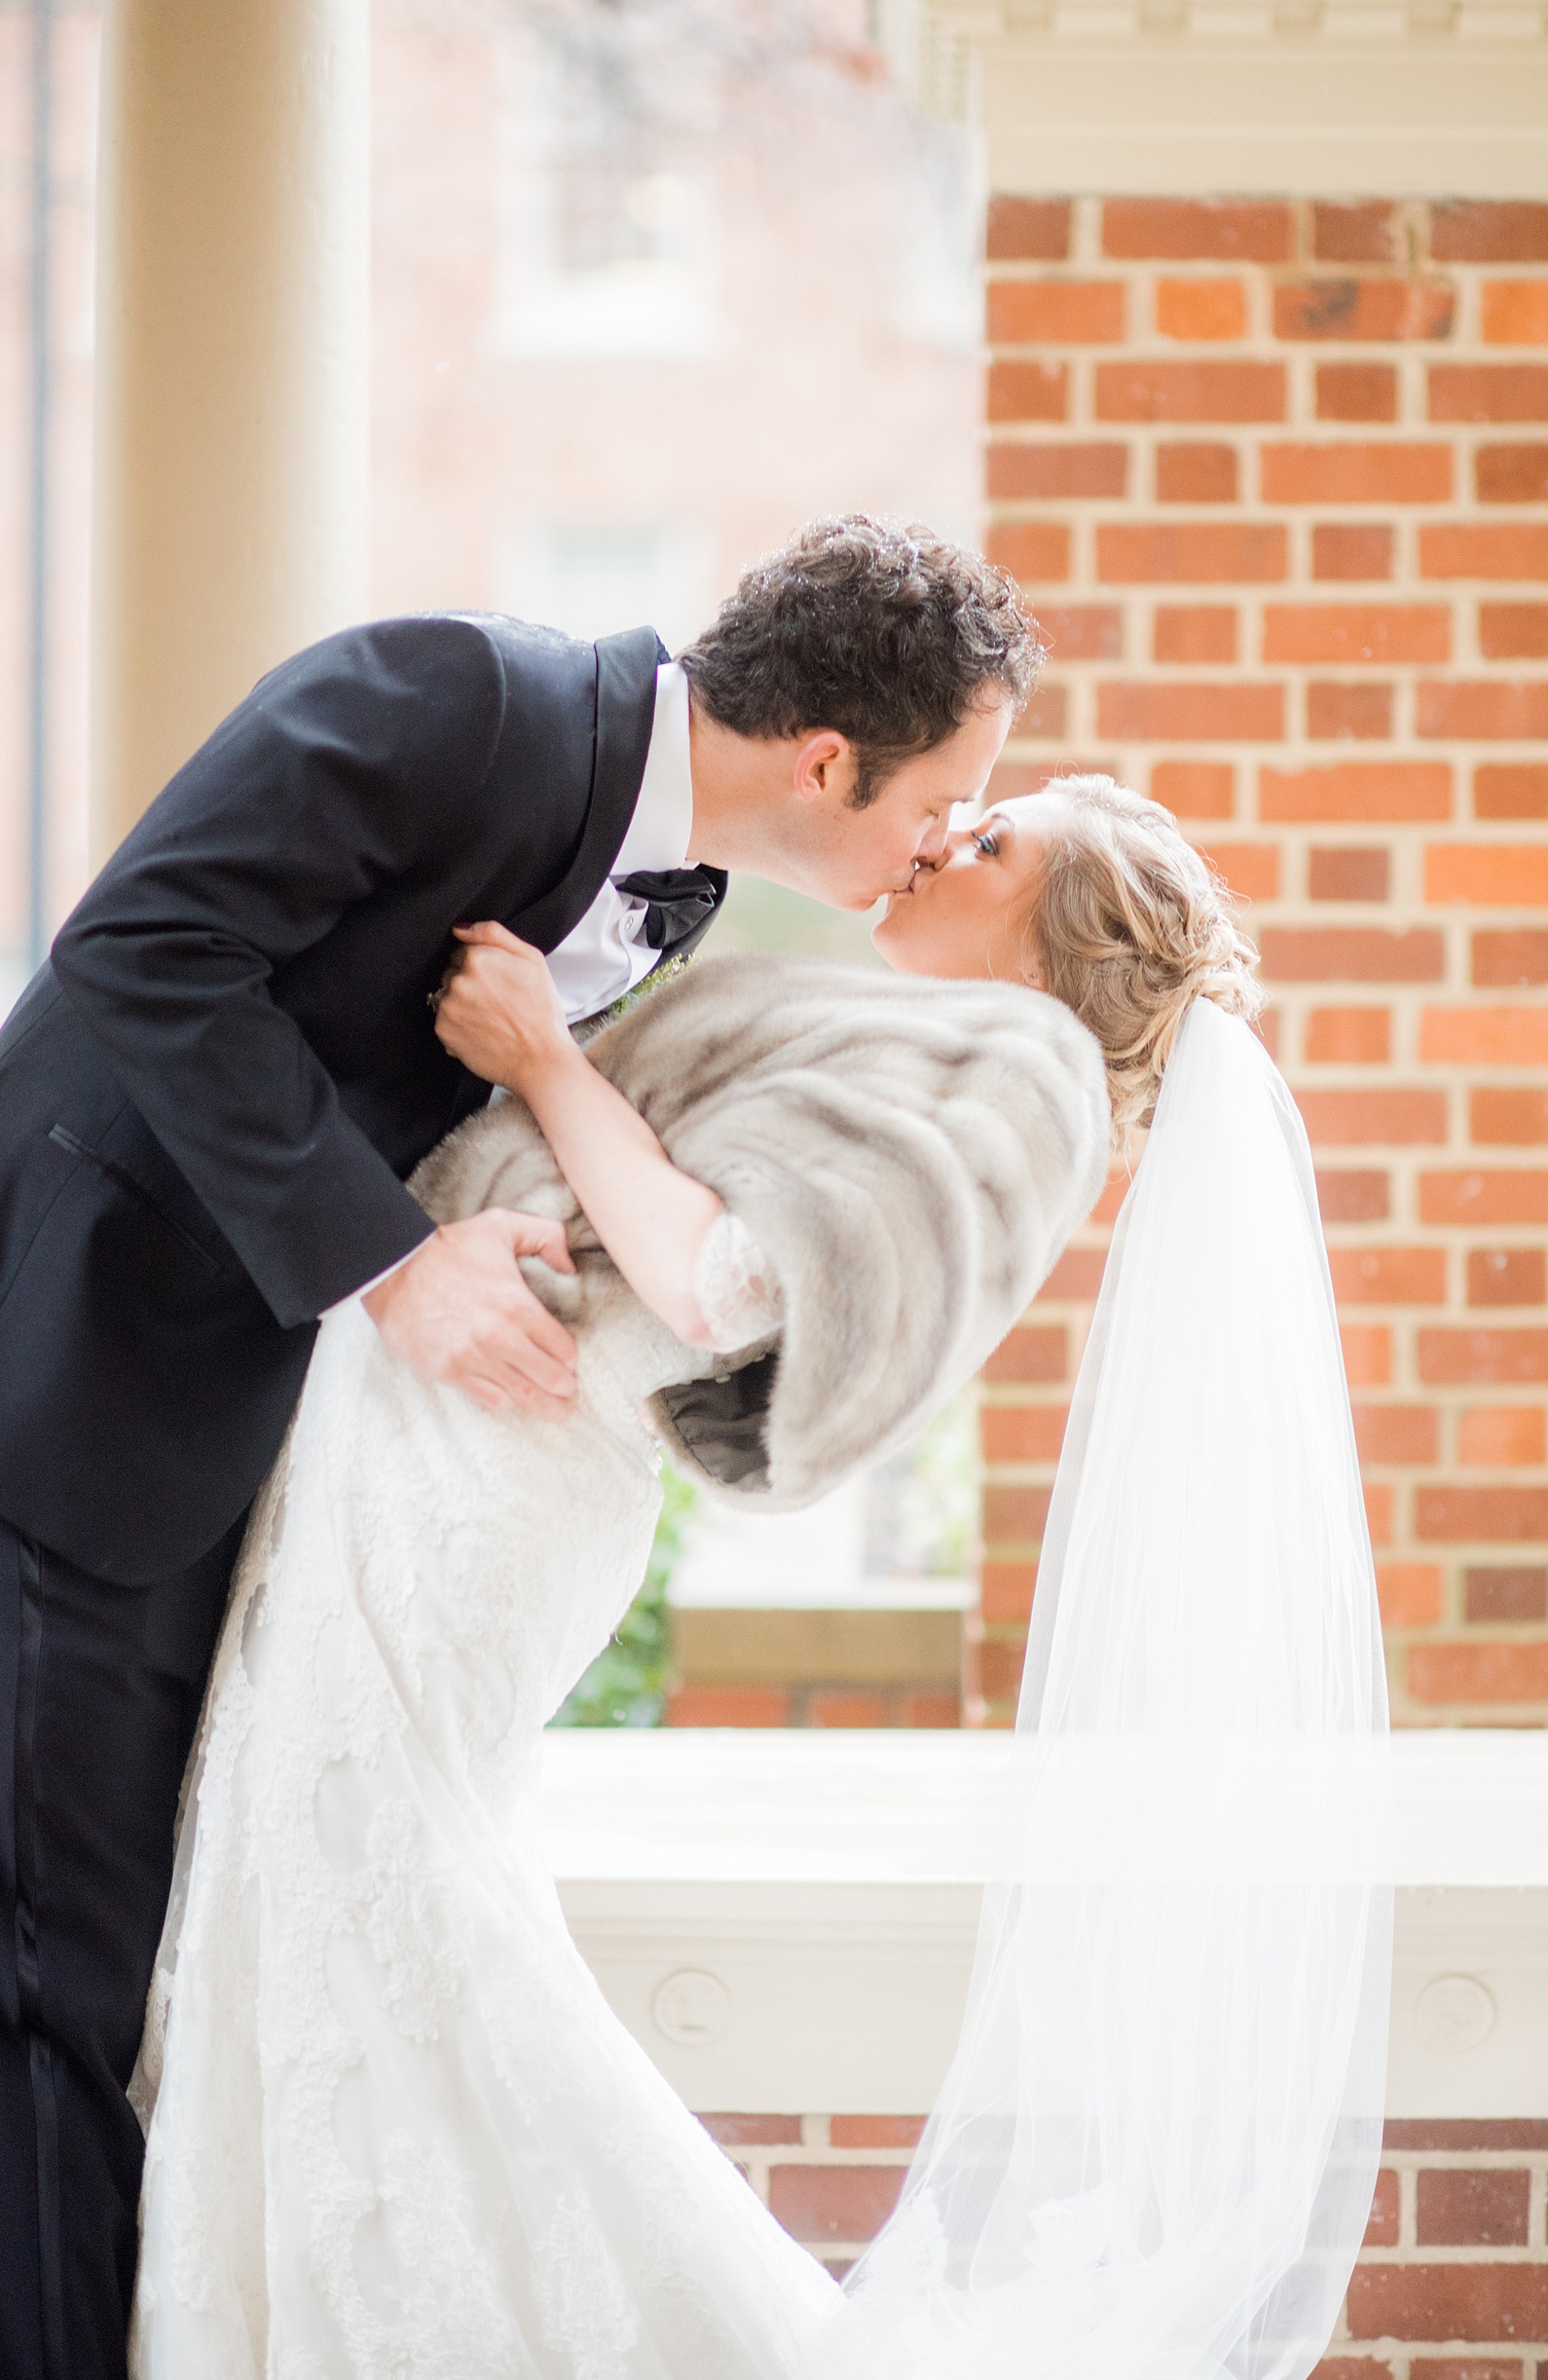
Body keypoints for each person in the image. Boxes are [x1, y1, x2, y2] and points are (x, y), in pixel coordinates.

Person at [130, 772, 1389, 2376]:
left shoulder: (1024, 1082)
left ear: (1053, 954)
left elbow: (721, 1285)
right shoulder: (923, 1051)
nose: (943, 836)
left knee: (389, 1921)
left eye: (993, 845)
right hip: (455, 1457)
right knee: (335, 1913)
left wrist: (543, 1056)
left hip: (488, 1484)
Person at [0, 515, 1038, 2380]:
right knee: (47, 1996)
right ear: (828, 762)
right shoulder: (457, 695)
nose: (940, 841)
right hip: (74, 1388)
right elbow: (144, 943)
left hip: (237, 1452)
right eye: (941, 798)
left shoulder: (686, 892)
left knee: (139, 1983)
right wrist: (391, 1267)